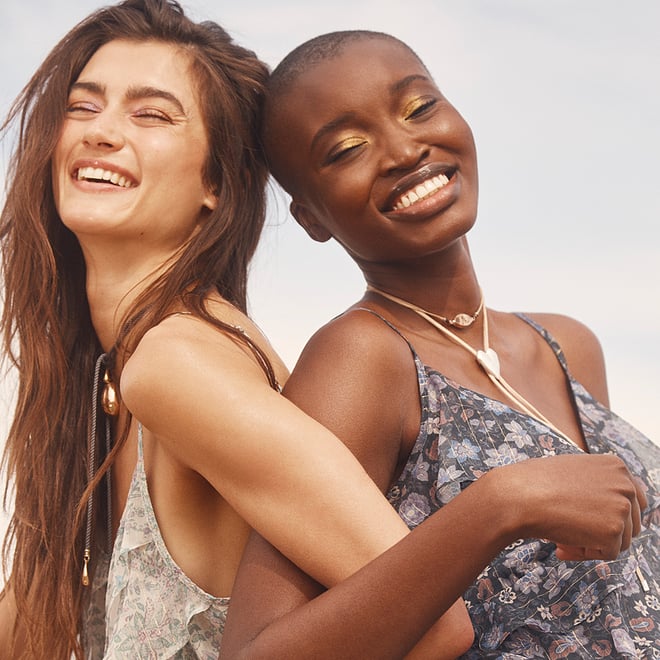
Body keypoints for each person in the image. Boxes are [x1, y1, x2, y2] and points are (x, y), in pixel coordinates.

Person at [0, 6, 647, 657]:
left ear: (217, 183)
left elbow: (442, 625)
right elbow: (33, 622)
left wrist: (498, 505)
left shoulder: (180, 361)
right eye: (82, 107)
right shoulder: (119, 372)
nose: (103, 131)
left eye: (152, 114)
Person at [219, 30, 660, 659]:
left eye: (419, 107)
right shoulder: (363, 358)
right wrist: (499, 506)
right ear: (312, 218)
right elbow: (255, 653)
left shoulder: (566, 343)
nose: (404, 149)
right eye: (346, 148)